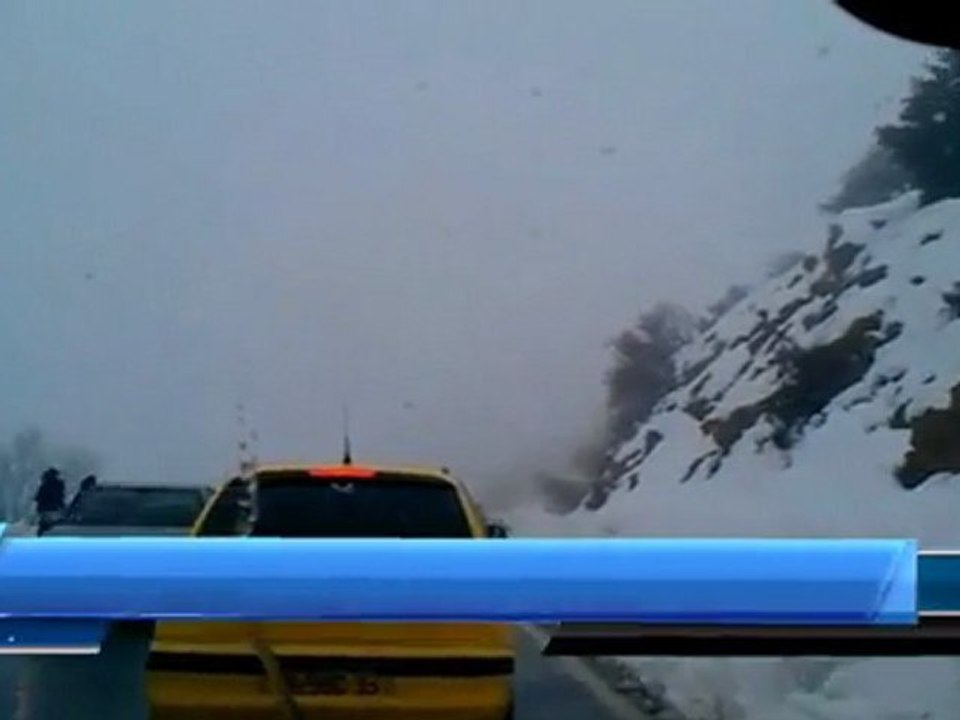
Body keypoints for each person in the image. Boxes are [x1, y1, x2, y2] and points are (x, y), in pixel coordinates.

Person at [35, 467, 66, 535]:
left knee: (45, 525)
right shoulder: (59, 485)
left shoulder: (45, 485)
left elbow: (38, 498)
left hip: (46, 510)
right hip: (55, 510)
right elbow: (61, 499)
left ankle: (42, 532)